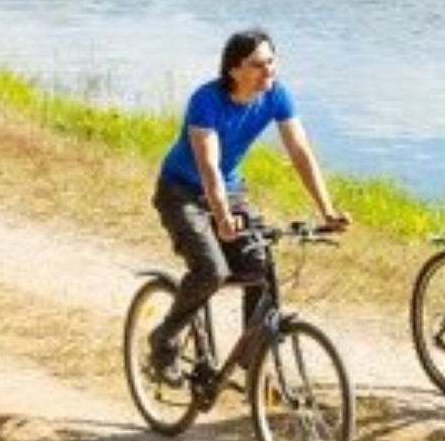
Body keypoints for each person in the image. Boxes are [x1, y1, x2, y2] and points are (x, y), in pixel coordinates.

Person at [147, 27, 346, 382]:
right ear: (234, 70)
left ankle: (252, 361)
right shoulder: (206, 101)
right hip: (181, 192)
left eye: (272, 62)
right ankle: (164, 340)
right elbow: (208, 166)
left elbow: (300, 152)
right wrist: (222, 217)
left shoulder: (275, 95)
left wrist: (326, 210)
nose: (269, 71)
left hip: (231, 191)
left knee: (260, 265)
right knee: (212, 270)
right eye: (258, 64)